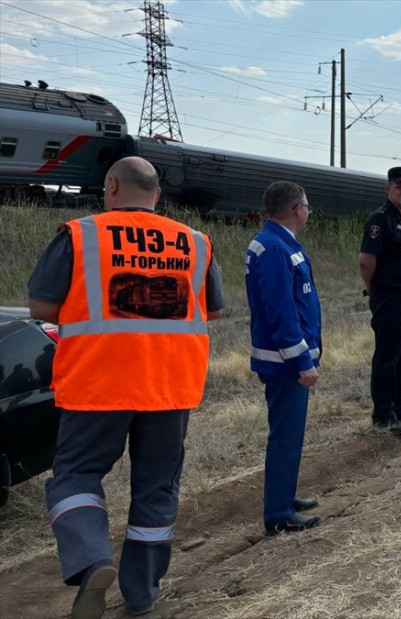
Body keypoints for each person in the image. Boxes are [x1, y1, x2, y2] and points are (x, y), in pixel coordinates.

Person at [28, 156, 225, 618]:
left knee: (76, 476)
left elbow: (42, 305)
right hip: (170, 386)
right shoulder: (196, 242)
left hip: (99, 383)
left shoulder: (80, 234)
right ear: (157, 194)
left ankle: (92, 559)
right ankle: (141, 594)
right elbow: (212, 310)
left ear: (112, 185)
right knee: (156, 487)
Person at [246, 181, 323, 535]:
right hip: (284, 363)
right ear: (296, 209)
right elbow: (282, 312)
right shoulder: (275, 248)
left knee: (291, 434)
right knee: (286, 435)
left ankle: (285, 496)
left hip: (284, 360)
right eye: (307, 206)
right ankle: (278, 513)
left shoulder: (277, 243)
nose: (308, 211)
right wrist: (301, 361)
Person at [359, 167, 401, 436]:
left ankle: (400, 405)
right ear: (388, 189)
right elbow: (366, 262)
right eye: (400, 186)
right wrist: (374, 291)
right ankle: (383, 415)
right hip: (390, 300)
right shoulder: (380, 220)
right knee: (387, 358)